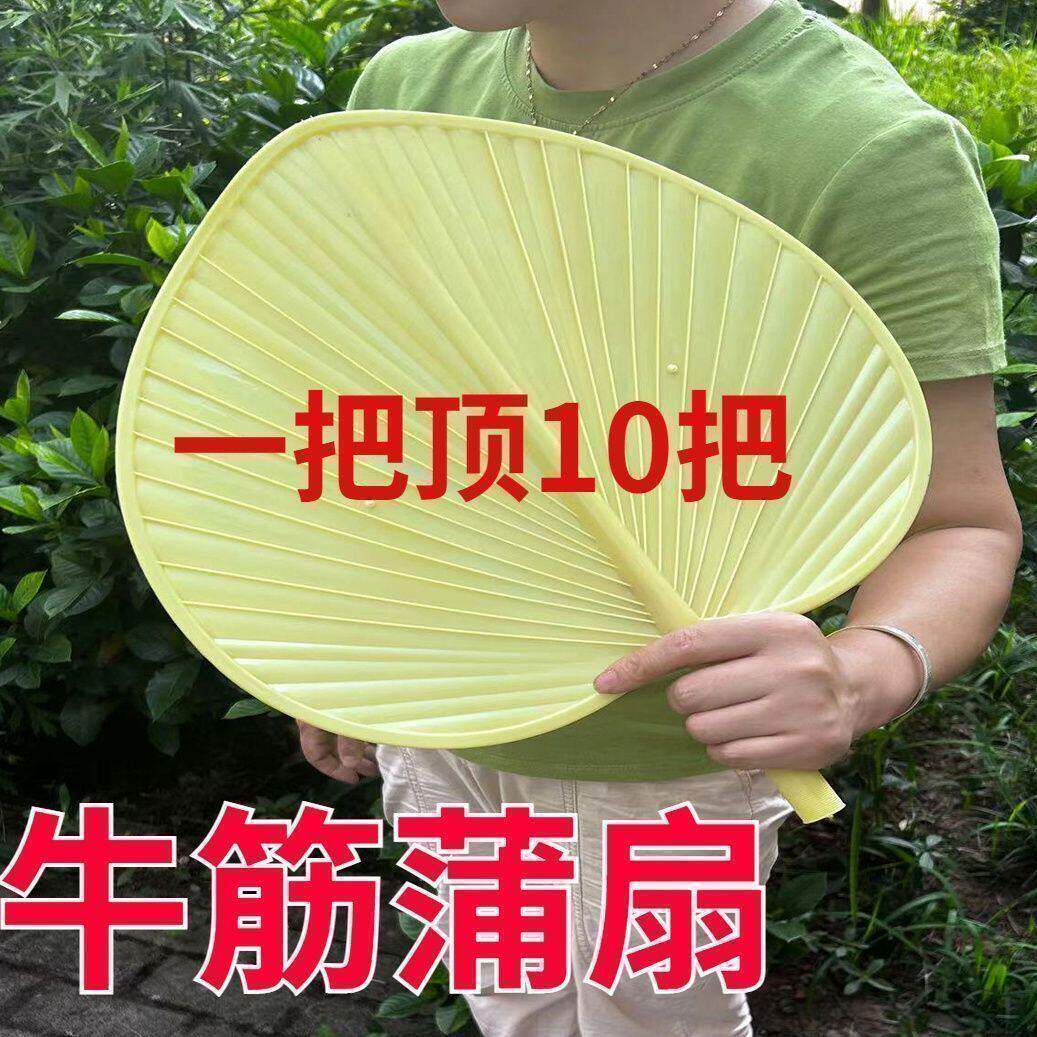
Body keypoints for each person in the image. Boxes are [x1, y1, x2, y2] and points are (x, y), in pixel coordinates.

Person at [297, 1, 1022, 1033]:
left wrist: (860, 670)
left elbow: (956, 521)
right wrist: (329, 634)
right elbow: (390, 412)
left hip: (668, 763)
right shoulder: (406, 94)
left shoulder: (858, 151)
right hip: (439, 720)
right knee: (513, 1004)